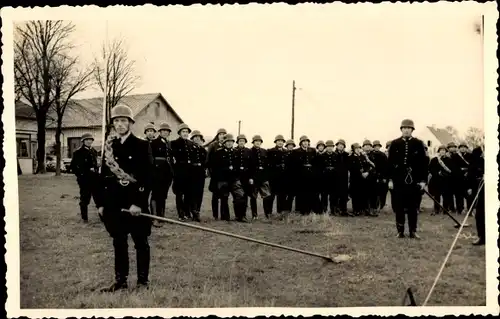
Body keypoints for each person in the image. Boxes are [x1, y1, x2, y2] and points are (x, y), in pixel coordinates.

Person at [97, 104, 154, 292]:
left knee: (141, 243)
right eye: (116, 121)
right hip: (115, 205)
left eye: (123, 120)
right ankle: (120, 281)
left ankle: (142, 282)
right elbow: (103, 178)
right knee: (118, 242)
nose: (120, 124)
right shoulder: (109, 148)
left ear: (131, 123)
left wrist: (138, 203)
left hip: (135, 204)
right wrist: (101, 204)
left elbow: (147, 177)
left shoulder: (142, 145)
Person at [387, 119, 427, 239]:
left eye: (409, 128)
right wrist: (390, 180)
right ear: (401, 129)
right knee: (399, 207)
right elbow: (390, 164)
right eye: (404, 128)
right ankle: (400, 231)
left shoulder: (418, 143)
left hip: (414, 182)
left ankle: (413, 231)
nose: (406, 130)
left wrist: (423, 181)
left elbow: (423, 165)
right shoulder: (394, 143)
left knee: (413, 207)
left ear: (412, 130)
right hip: (398, 181)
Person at [212, 134, 246, 221]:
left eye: (231, 142)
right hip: (223, 179)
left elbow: (239, 166)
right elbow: (215, 168)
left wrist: (236, 175)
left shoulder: (236, 152)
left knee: (240, 196)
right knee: (224, 198)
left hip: (234, 179)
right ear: (224, 143)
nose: (229, 143)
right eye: (227, 142)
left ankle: (239, 216)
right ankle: (225, 217)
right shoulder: (218, 153)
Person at [148, 122, 174, 227]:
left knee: (163, 195)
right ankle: (154, 218)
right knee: (155, 195)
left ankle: (161, 217)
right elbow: (150, 158)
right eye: (163, 131)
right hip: (156, 173)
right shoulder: (154, 143)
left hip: (167, 174)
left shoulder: (168, 143)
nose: (165, 132)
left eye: (167, 131)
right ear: (160, 132)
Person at [70, 133, 100, 223]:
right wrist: (81, 176)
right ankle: (84, 218)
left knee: (98, 198)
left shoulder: (94, 151)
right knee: (85, 199)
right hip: (85, 180)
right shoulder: (78, 152)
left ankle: (102, 217)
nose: (89, 141)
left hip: (95, 179)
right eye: (87, 140)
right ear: (83, 141)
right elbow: (74, 167)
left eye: (90, 140)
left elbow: (95, 164)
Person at [171, 123, 198, 221]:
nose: (185, 134)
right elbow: (172, 159)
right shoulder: (174, 143)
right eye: (183, 132)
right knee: (179, 194)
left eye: (187, 132)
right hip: (179, 173)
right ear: (179, 133)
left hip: (189, 173)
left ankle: (187, 212)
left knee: (188, 194)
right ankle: (180, 214)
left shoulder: (191, 144)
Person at [292, 135, 317, 215]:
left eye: (307, 141)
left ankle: (309, 210)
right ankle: (300, 210)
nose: (305, 143)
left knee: (310, 193)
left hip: (310, 176)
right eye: (304, 141)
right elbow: (294, 165)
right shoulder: (296, 152)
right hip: (300, 176)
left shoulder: (312, 150)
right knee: (300, 194)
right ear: (301, 143)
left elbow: (315, 163)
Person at [249, 135, 273, 218]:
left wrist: (266, 177)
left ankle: (267, 214)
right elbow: (249, 167)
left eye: (259, 141)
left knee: (266, 196)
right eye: (256, 141)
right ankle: (254, 215)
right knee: (253, 197)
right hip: (254, 178)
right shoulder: (250, 151)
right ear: (253, 142)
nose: (258, 142)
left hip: (263, 178)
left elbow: (267, 165)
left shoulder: (264, 151)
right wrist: (250, 177)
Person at [206, 128, 227, 220]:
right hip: (215, 174)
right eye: (220, 134)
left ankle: (223, 215)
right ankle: (215, 215)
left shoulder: (227, 145)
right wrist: (210, 171)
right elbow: (208, 159)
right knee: (215, 195)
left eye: (224, 134)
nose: (222, 136)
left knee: (224, 195)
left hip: (224, 175)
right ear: (217, 135)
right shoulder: (213, 145)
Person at [466, 145, 484, 246]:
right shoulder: (477, 151)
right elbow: (471, 170)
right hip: (480, 186)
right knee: (480, 213)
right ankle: (482, 237)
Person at [348, 143, 372, 216]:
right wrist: (360, 173)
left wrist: (367, 172)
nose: (358, 150)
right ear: (353, 150)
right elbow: (351, 168)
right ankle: (356, 210)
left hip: (364, 179)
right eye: (356, 148)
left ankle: (365, 210)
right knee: (355, 195)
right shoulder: (350, 158)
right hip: (355, 179)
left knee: (364, 195)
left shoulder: (363, 156)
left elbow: (368, 166)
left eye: (359, 148)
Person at [428, 145, 453, 215]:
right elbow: (430, 169)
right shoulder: (434, 160)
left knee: (446, 196)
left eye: (444, 150)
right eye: (441, 150)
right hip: (436, 181)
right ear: (439, 151)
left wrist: (445, 173)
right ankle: (437, 209)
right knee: (436, 196)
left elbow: (451, 170)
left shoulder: (449, 160)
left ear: (446, 152)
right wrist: (437, 173)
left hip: (445, 180)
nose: (442, 152)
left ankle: (445, 209)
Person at [267, 135, 288, 216]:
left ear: (283, 142)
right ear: (275, 142)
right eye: (278, 141)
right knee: (271, 196)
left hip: (283, 178)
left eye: (282, 141)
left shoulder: (286, 152)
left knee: (281, 196)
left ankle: (280, 213)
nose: (280, 142)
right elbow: (268, 164)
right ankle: (269, 213)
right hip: (273, 178)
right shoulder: (271, 151)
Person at [233, 134, 252, 221]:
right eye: (240, 141)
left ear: (245, 142)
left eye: (243, 141)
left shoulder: (248, 151)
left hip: (246, 177)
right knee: (237, 197)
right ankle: (237, 215)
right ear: (237, 142)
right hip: (236, 177)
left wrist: (251, 177)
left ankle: (243, 215)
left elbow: (252, 165)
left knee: (245, 197)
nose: (241, 142)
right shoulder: (234, 151)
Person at [190, 130, 207, 221]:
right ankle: (193, 212)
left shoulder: (202, 150)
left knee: (200, 193)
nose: (197, 139)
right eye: (195, 137)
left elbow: (206, 162)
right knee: (192, 193)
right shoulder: (189, 149)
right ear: (192, 139)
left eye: (199, 137)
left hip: (200, 174)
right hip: (192, 173)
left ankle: (197, 211)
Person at [317, 140, 337, 215]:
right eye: (328, 146)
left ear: (333, 147)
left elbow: (338, 167)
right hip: (324, 179)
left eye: (331, 146)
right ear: (326, 147)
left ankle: (333, 210)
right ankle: (324, 210)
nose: (330, 148)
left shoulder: (336, 155)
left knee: (333, 196)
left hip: (333, 178)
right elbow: (319, 168)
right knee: (324, 195)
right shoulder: (322, 156)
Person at [370, 140, 388, 213]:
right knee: (374, 192)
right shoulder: (371, 155)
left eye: (378, 146)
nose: (377, 147)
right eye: (375, 146)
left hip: (382, 176)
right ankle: (374, 207)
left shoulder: (383, 155)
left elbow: (386, 167)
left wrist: (384, 177)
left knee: (382, 192)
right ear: (373, 147)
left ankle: (382, 206)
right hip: (373, 176)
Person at [333, 139, 350, 216]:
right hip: (335, 177)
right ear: (337, 146)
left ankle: (344, 210)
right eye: (339, 144)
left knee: (344, 194)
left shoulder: (346, 155)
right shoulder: (334, 154)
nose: (341, 146)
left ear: (344, 146)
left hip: (344, 177)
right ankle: (336, 210)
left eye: (342, 145)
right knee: (336, 194)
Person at [283, 139, 297, 213]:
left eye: (292, 145)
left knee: (291, 196)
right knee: (284, 195)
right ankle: (284, 210)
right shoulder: (284, 154)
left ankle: (289, 210)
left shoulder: (296, 154)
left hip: (293, 178)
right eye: (289, 145)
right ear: (287, 146)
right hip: (285, 178)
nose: (290, 147)